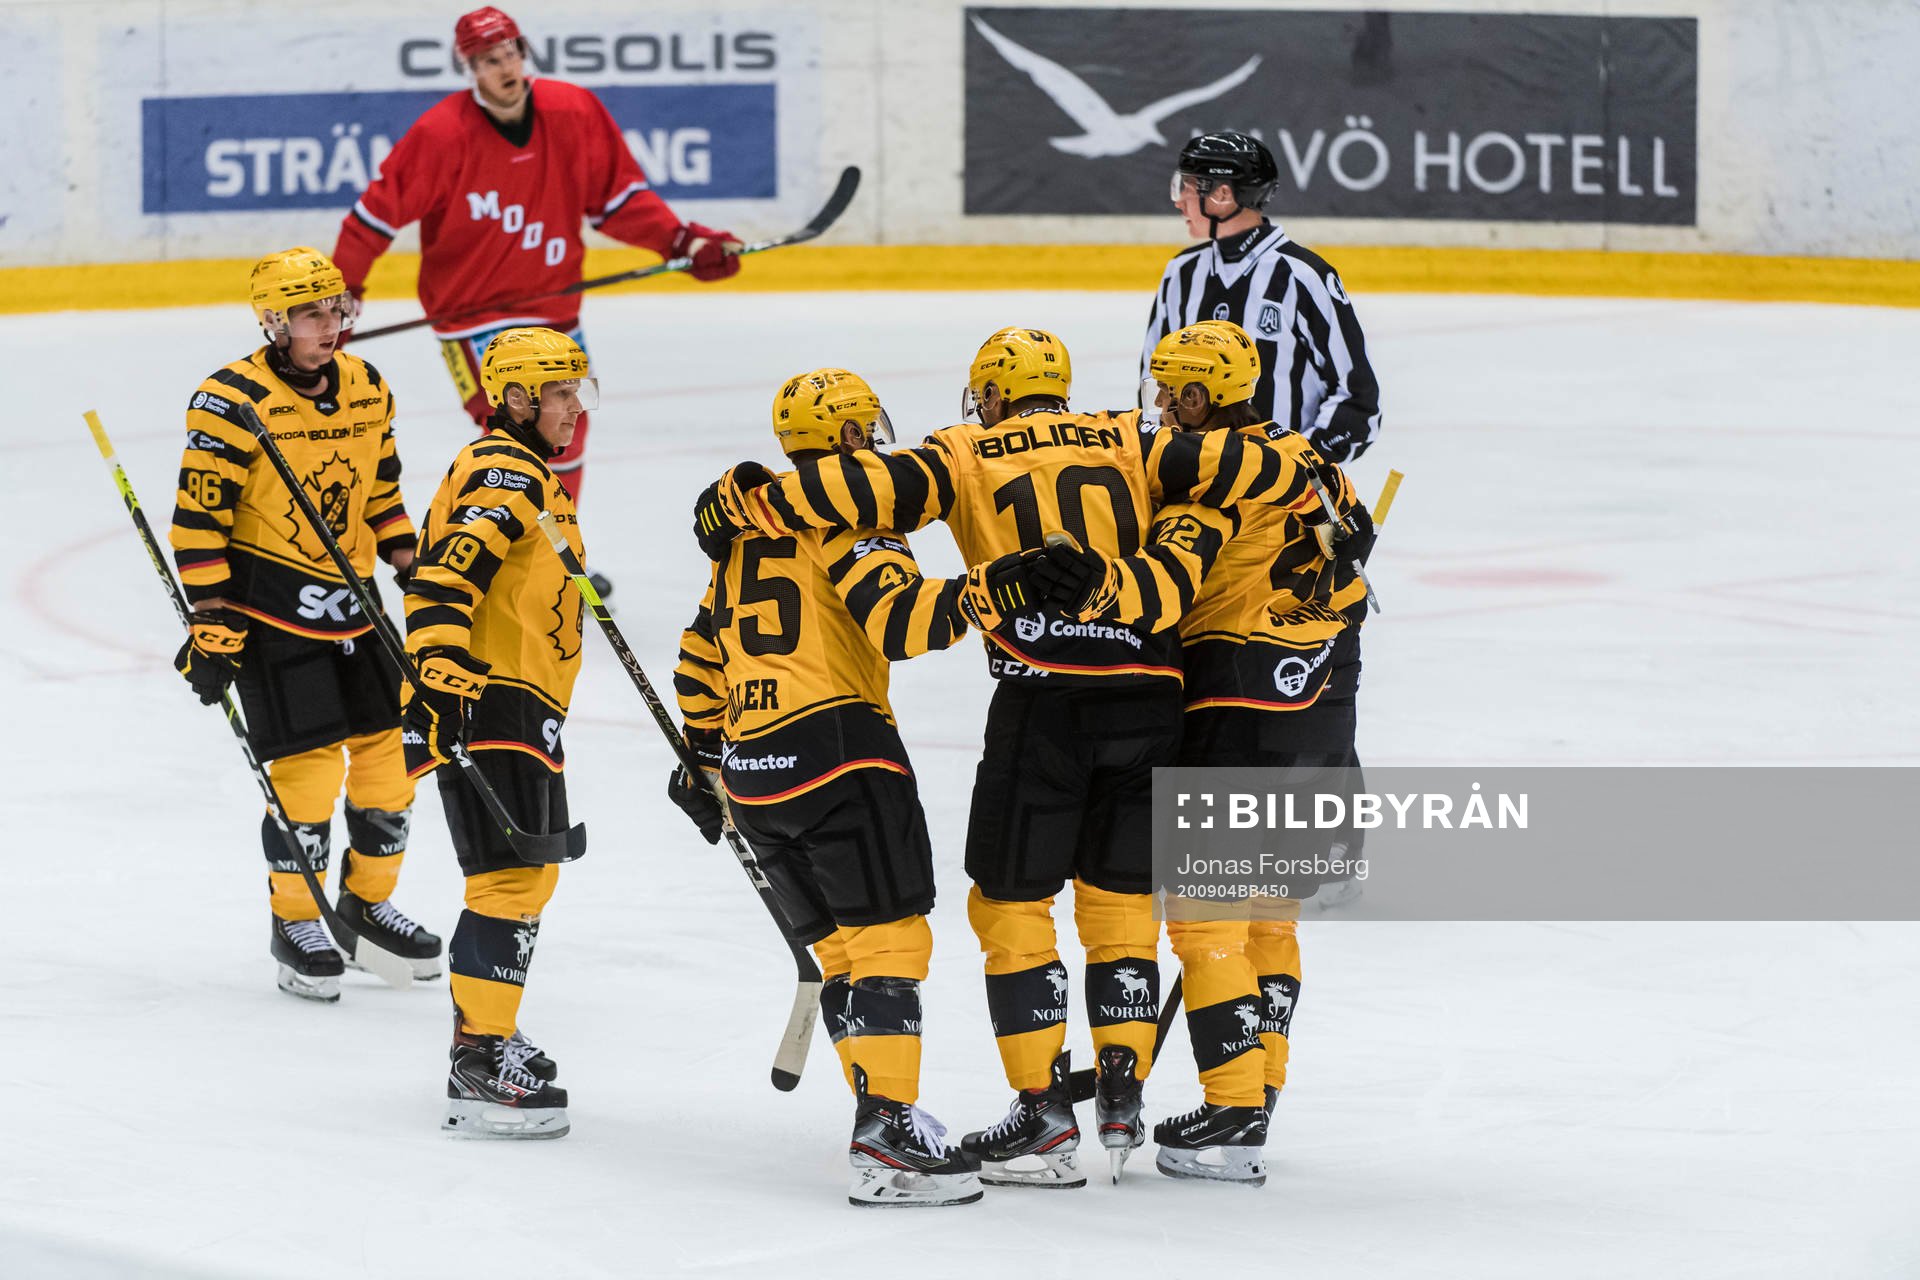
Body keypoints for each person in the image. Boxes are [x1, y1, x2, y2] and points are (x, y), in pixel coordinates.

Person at [693, 328, 1324, 1187]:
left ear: (989, 396)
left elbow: (869, 509)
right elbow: (1267, 473)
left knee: (1012, 909)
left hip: (1039, 707)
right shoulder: (1133, 434)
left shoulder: (960, 450)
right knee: (1122, 905)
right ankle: (1121, 1096)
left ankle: (1043, 1119)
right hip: (1152, 701)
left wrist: (739, 499)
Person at [673, 368, 1044, 1206]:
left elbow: (699, 656)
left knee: (841, 957)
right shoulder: (849, 516)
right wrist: (1000, 586)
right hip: (842, 751)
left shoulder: (741, 536)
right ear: (846, 438)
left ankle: (884, 1115)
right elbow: (907, 624)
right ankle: (888, 1139)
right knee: (889, 948)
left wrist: (701, 755)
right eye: (865, 430)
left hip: (755, 773)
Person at [1031, 320, 1374, 1185]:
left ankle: (1231, 1114)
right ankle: (1254, 1098)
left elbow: (1172, 472)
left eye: (1167, 393)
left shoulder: (1208, 467)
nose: (1156, 409)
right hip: (1324, 702)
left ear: (1197, 395)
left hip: (1239, 698)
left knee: (1207, 917)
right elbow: (1355, 542)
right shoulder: (1313, 460)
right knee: (1271, 914)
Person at [332, 5, 742, 596]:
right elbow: (374, 217)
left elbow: (619, 202)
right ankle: (494, 557)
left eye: (510, 53)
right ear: (469, 67)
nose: (505, 67)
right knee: (511, 435)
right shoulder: (440, 134)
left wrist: (683, 240)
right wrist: (344, 293)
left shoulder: (574, 110)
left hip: (554, 313)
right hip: (470, 320)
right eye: (488, 59)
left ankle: (555, 555)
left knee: (571, 424)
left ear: (523, 52)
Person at [170, 246, 441, 1003]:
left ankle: (364, 903)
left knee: (393, 762)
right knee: (310, 773)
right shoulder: (228, 400)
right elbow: (198, 521)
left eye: (338, 309)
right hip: (271, 612)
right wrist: (214, 623)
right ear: (273, 321)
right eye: (313, 313)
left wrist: (409, 561)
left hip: (357, 606)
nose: (332, 325)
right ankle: (297, 920)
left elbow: (381, 489)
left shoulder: (367, 385)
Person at [402, 326, 595, 1139]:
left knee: (523, 880)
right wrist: (442, 676)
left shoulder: (527, 475)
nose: (573, 408)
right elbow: (444, 574)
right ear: (516, 399)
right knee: (510, 881)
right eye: (558, 393)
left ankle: (489, 1036)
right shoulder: (506, 470)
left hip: (521, 703)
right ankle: (478, 1061)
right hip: (493, 701)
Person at [1142, 131, 1384, 466]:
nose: (1178, 199)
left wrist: (1290, 468)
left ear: (1222, 195)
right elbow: (1152, 388)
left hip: (1278, 506)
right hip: (1191, 495)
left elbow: (1358, 403)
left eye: (1186, 185)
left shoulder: (1302, 276)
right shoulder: (1179, 274)